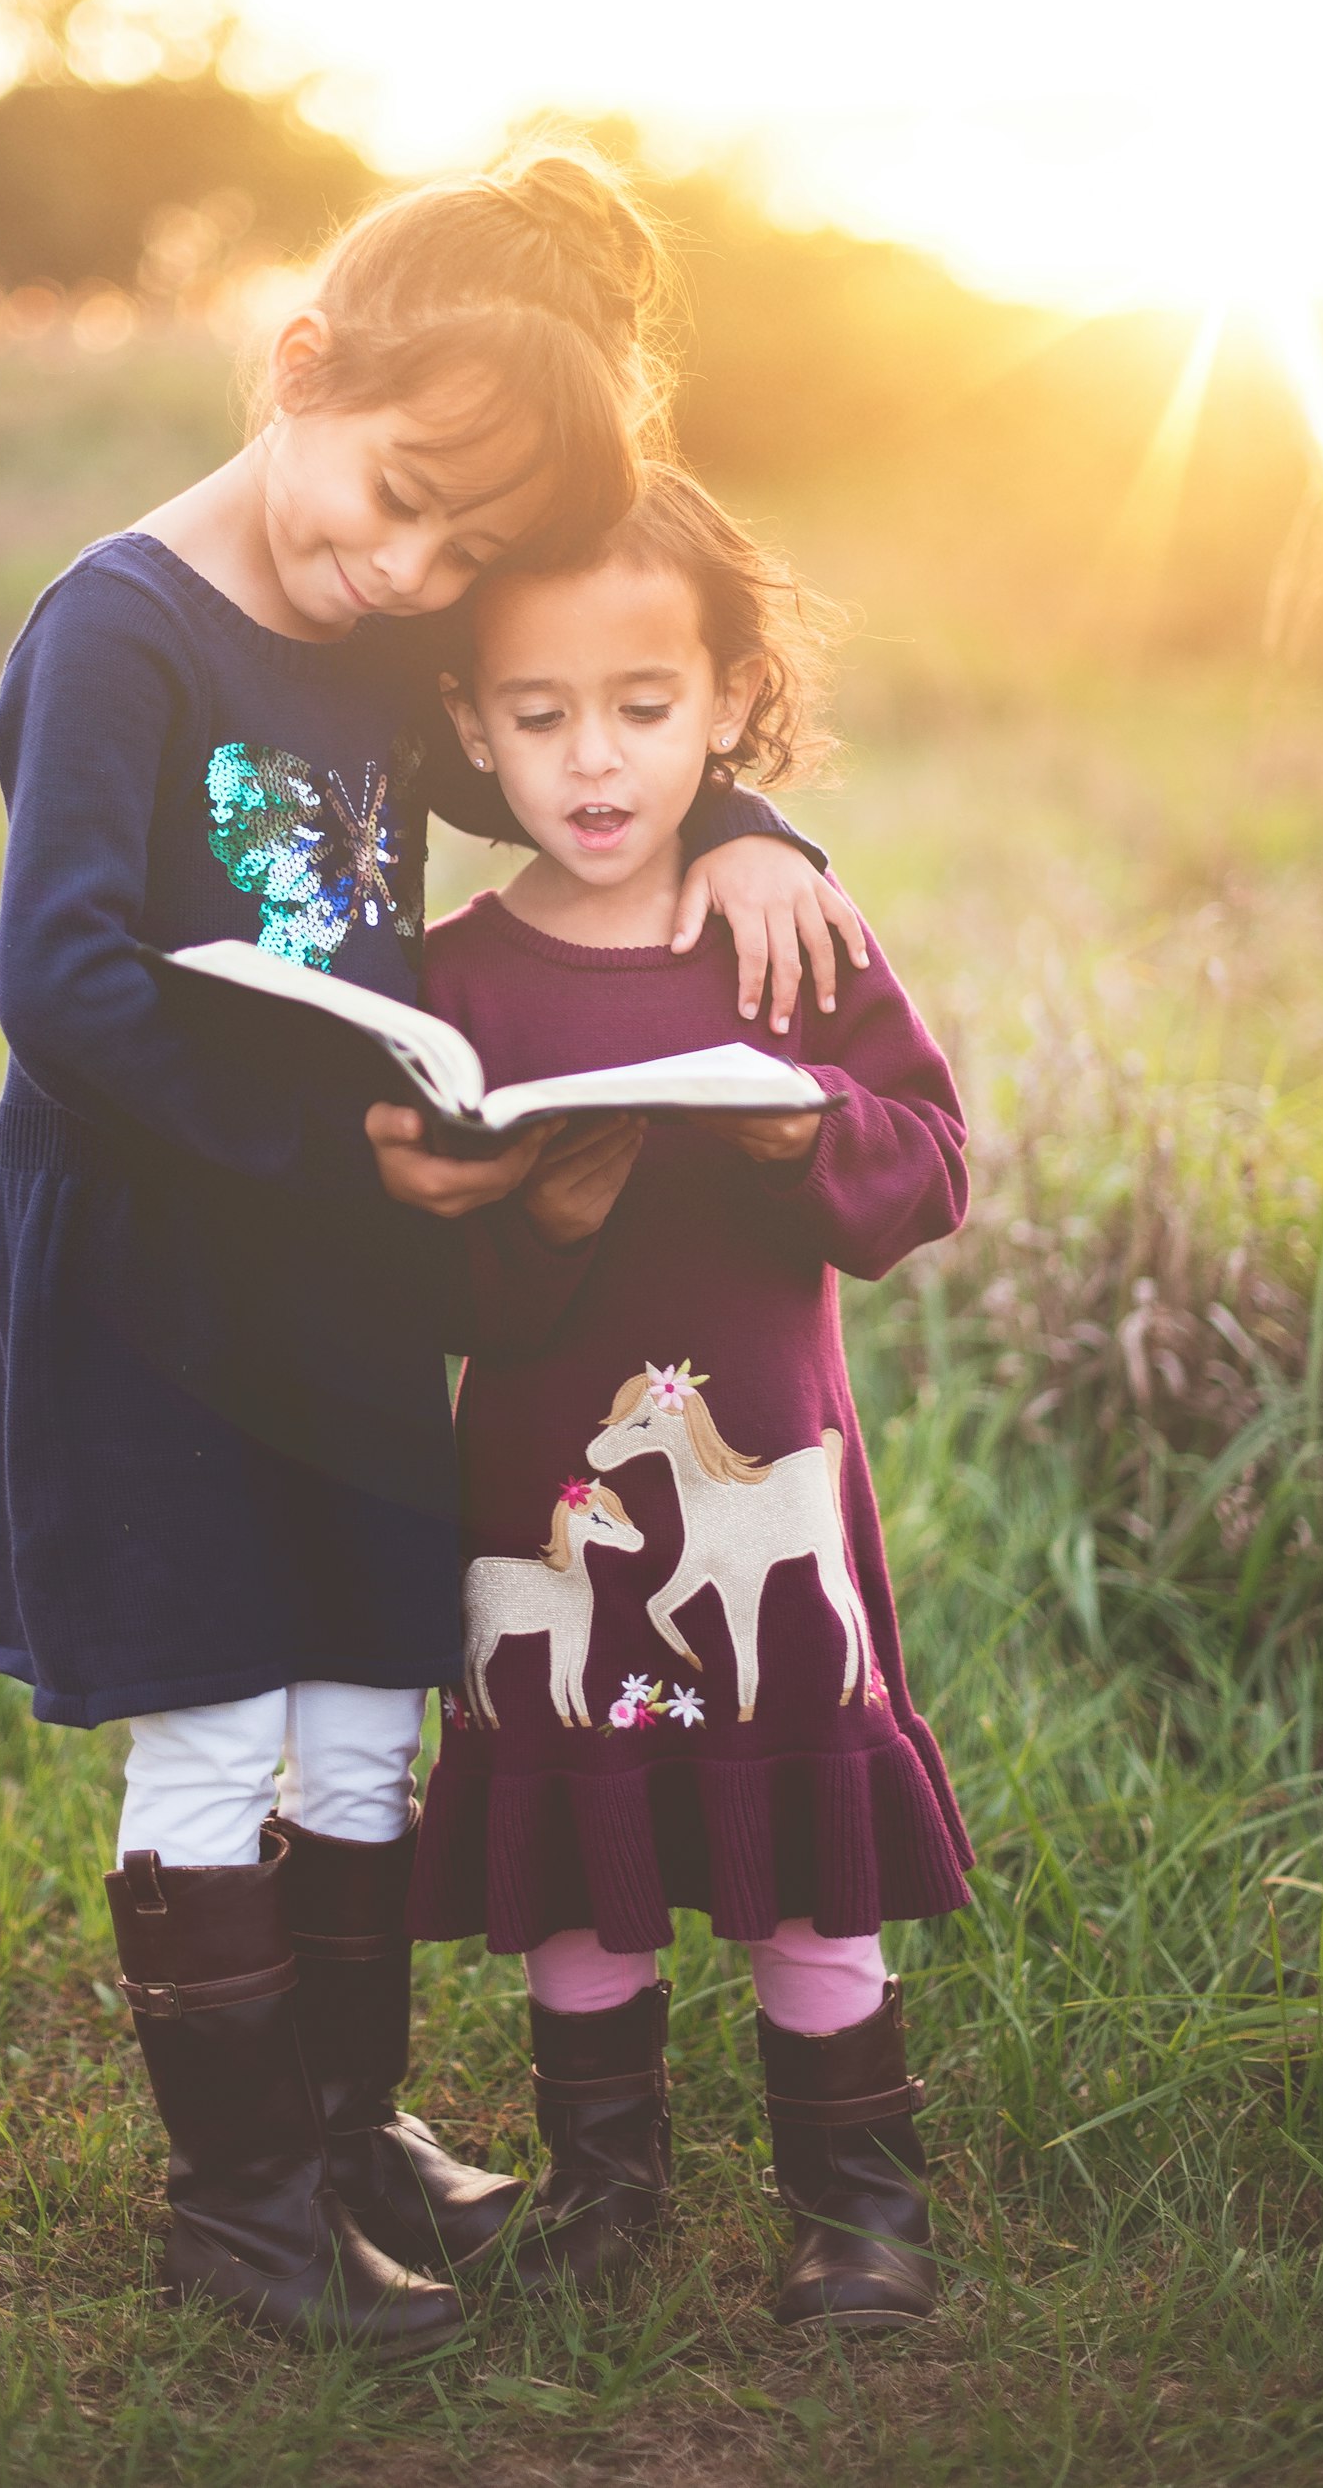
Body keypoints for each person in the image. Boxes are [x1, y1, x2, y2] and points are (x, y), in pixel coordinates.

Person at [0, 147, 864, 2354]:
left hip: (353, 1284)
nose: (409, 570)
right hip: (158, 1286)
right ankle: (241, 2203)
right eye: (395, 503)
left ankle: (350, 2128)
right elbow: (65, 984)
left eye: (462, 552)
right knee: (211, 1724)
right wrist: (329, 1146)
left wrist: (743, 818)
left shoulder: (379, 638)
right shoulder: (119, 626)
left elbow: (559, 760)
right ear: (297, 369)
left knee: (371, 1708)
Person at [407, 465, 974, 2333]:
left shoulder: (786, 931)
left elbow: (928, 1168)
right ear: (471, 727)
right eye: (538, 714)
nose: (592, 760)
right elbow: (415, 1281)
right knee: (579, 1846)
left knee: (805, 1854)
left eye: (644, 710)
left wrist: (803, 1124)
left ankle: (857, 2205)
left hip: (769, 1483)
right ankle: (604, 2188)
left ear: (728, 704)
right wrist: (541, 1222)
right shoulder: (454, 986)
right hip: (544, 1497)